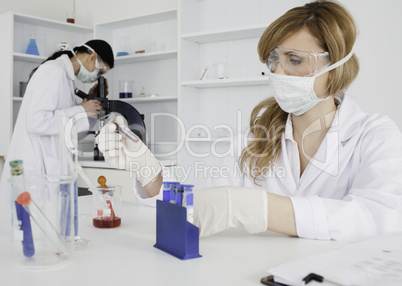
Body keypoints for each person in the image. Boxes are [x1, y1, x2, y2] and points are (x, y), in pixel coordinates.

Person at [97, 0, 402, 242]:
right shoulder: (253, 140)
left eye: (294, 60)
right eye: (274, 61)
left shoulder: (374, 135)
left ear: (334, 67)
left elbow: (378, 217)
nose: (278, 73)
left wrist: (258, 208)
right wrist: (147, 169)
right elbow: (200, 208)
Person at [0, 39, 114, 205]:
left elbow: (68, 130)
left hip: (49, 171)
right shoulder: (52, 71)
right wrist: (81, 110)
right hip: (35, 170)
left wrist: (91, 108)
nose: (97, 77)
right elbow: (37, 121)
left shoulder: (66, 78)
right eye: (99, 72)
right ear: (92, 57)